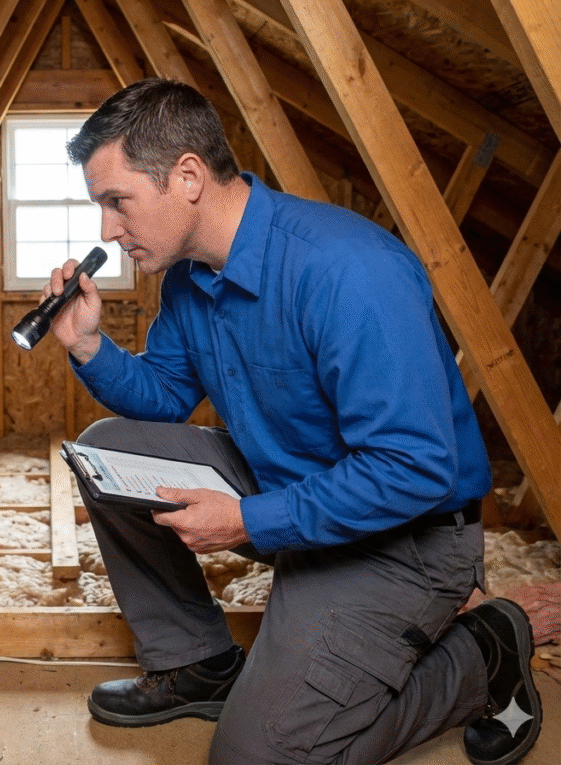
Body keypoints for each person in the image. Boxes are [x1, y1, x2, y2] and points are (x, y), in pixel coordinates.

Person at [42, 78, 542, 765]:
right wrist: (89, 344)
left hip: (404, 540)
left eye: (116, 200)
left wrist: (248, 519)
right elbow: (162, 396)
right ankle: (198, 662)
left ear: (187, 176)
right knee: (109, 452)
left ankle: (479, 657)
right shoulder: (191, 278)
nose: (105, 228)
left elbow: (415, 467)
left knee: (254, 757)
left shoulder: (347, 270)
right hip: (291, 494)